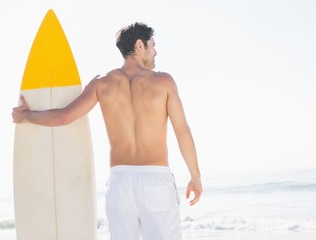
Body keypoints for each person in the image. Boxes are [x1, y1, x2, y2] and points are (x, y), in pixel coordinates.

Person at [12, 22, 202, 239]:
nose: (155, 50)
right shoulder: (163, 81)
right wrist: (195, 177)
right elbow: (183, 132)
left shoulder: (101, 84)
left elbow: (64, 117)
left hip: (119, 183)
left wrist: (26, 116)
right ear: (139, 45)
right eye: (152, 45)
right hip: (155, 180)